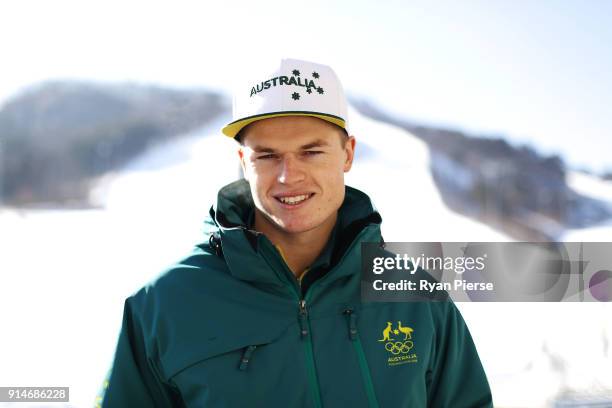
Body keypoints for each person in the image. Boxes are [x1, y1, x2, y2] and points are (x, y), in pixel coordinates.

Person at [99, 58, 493, 407]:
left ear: (348, 154)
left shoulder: (416, 298)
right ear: (243, 161)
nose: (289, 176)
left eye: (311, 151)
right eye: (267, 156)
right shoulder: (163, 306)